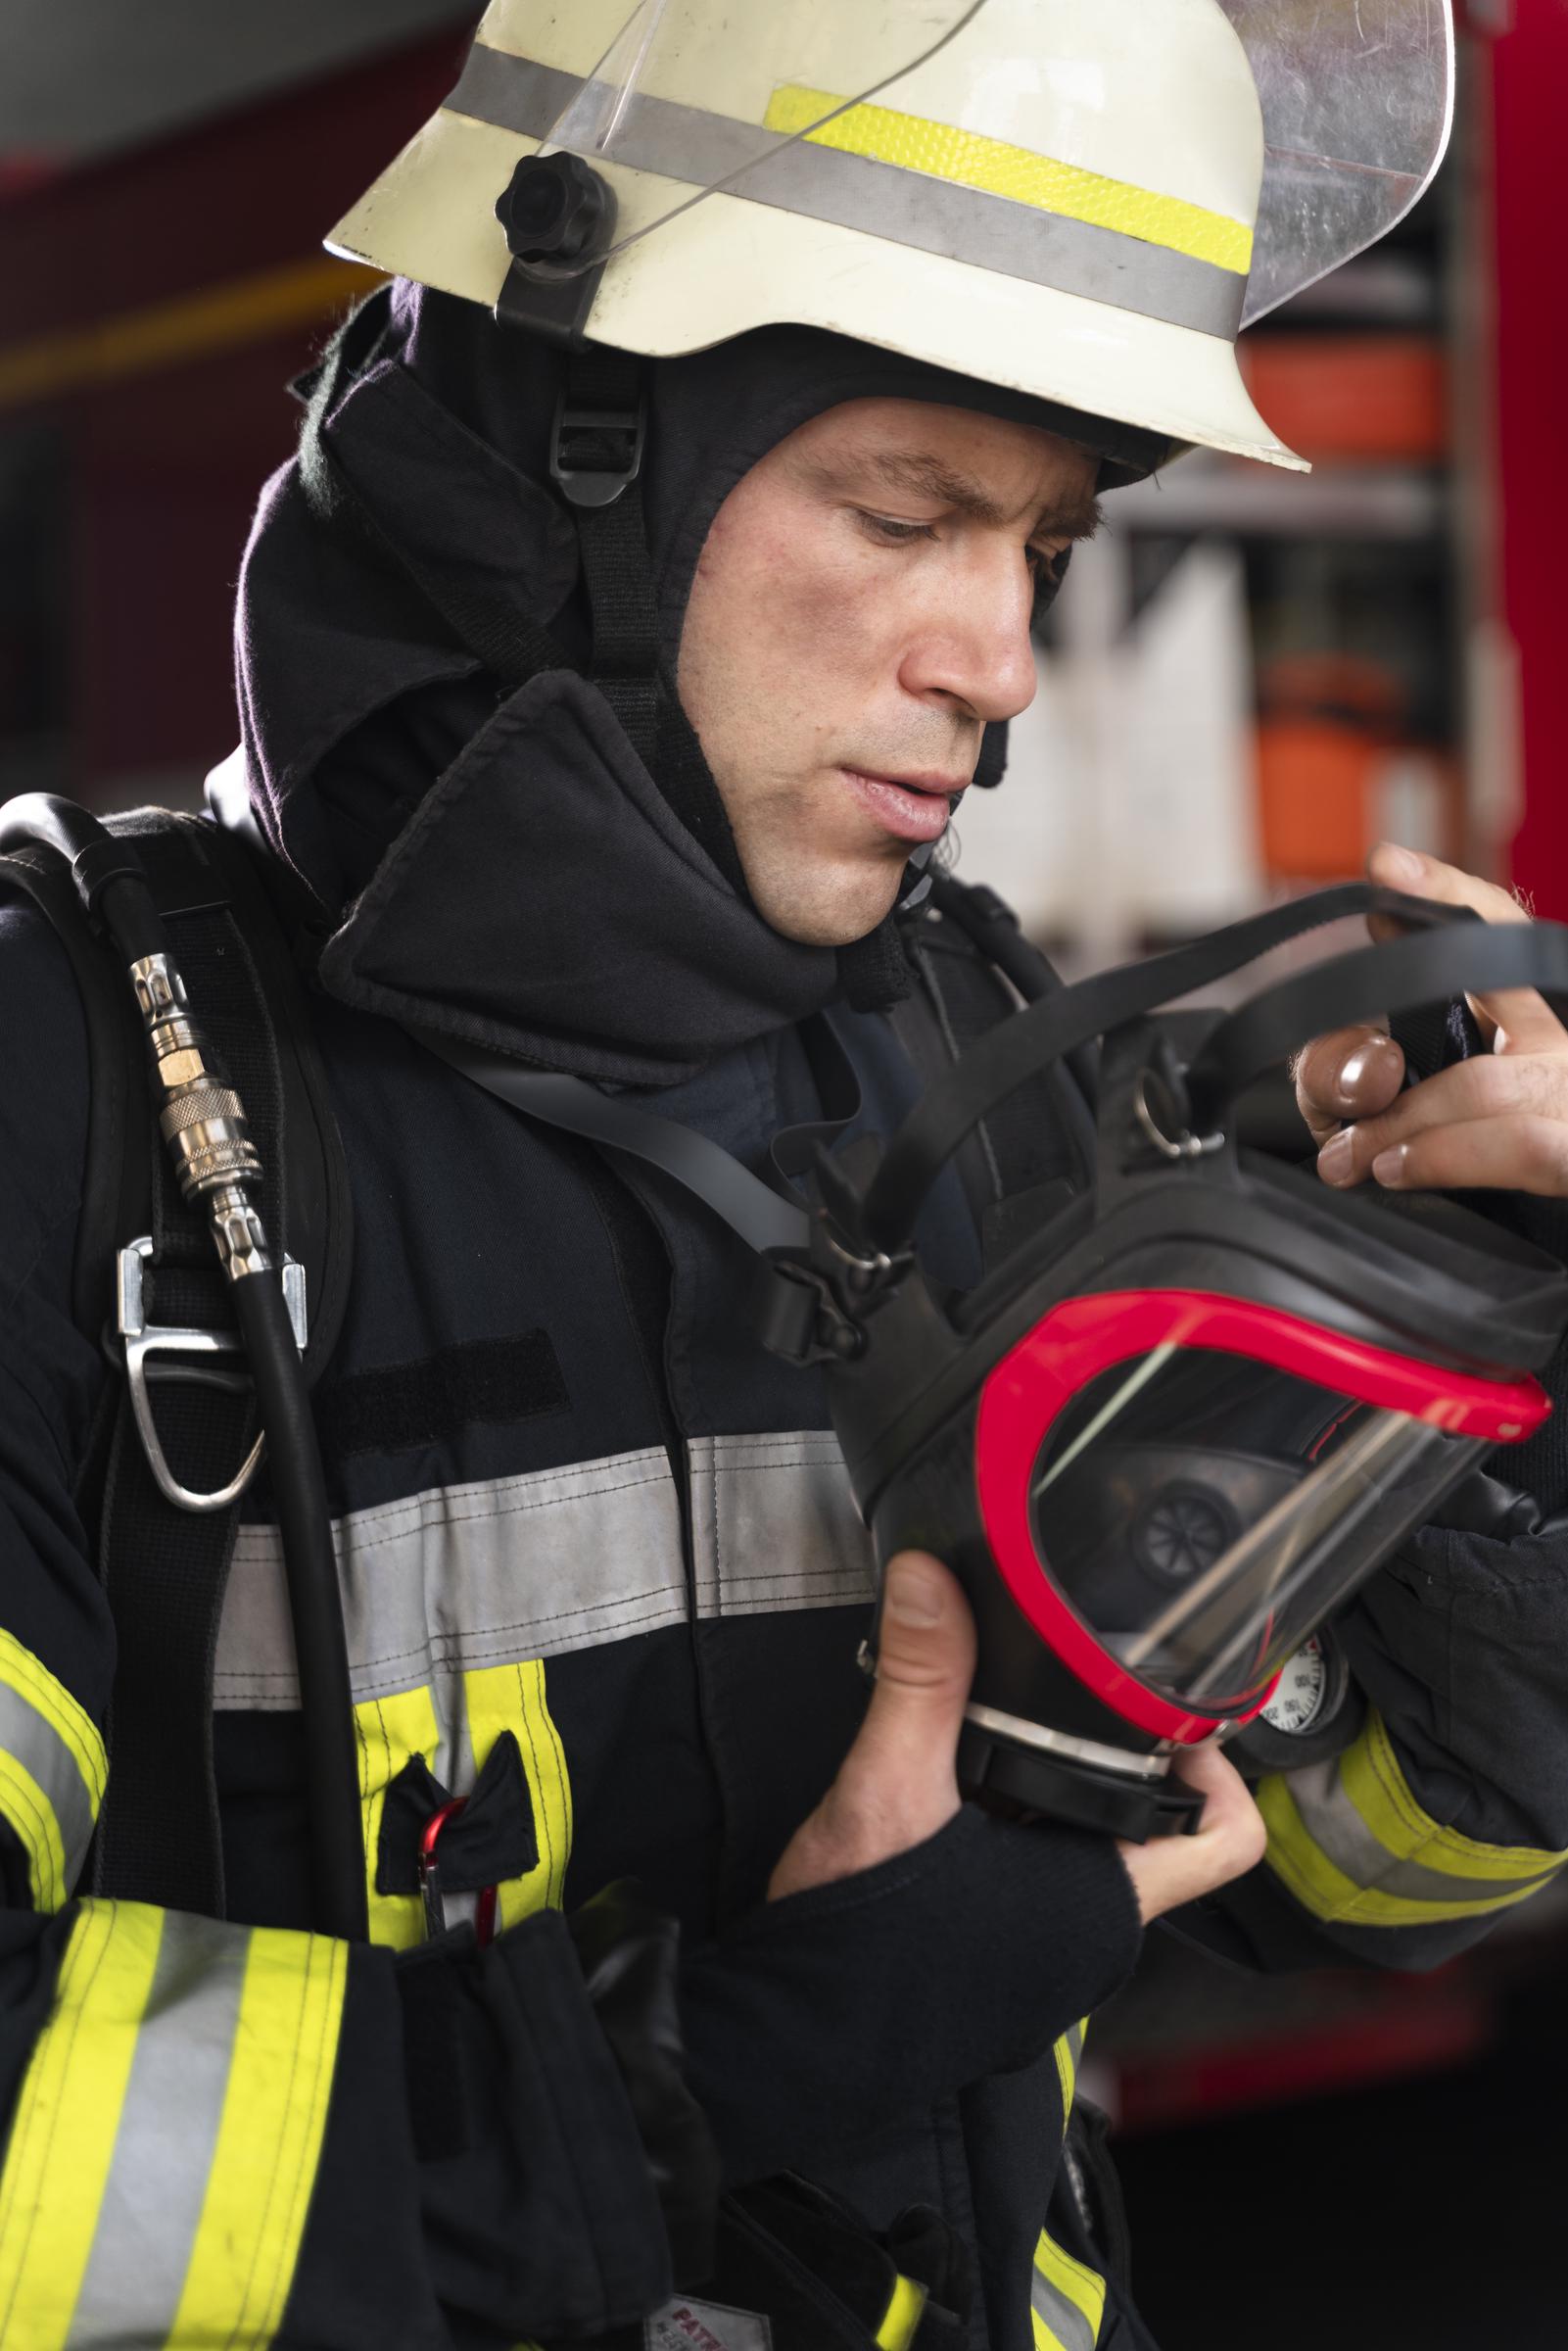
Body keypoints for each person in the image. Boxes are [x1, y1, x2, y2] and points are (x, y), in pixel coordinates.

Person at [1, 4, 1566, 2346]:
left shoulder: (962, 1048)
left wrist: (1485, 1378)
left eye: (1040, 543)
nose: (1005, 658)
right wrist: (700, 2088)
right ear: (579, 470)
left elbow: (1377, 1860)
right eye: (908, 510)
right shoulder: (66, 1086)